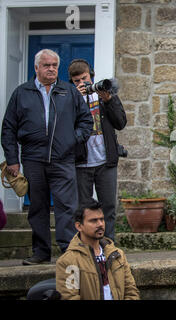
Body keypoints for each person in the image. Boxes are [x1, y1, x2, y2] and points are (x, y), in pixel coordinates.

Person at [1, 49, 93, 265]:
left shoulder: (69, 92)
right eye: (46, 65)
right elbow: (8, 128)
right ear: (36, 68)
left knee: (67, 207)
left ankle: (68, 251)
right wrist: (13, 159)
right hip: (33, 160)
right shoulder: (21, 93)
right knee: (37, 207)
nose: (51, 69)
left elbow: (86, 122)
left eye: (54, 65)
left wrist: (72, 138)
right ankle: (41, 252)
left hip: (63, 159)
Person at [68, 59, 127, 241]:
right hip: (81, 162)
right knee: (82, 209)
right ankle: (85, 247)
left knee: (108, 206)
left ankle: (108, 245)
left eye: (84, 78)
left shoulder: (103, 96)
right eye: (76, 81)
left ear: (91, 76)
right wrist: (74, 100)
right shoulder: (69, 99)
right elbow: (64, 125)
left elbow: (121, 122)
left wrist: (109, 100)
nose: (81, 83)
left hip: (105, 161)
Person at [56, 198, 140, 300]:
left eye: (102, 219)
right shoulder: (69, 261)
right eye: (93, 220)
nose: (100, 224)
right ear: (79, 226)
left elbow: (131, 291)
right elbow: (70, 297)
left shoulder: (117, 255)